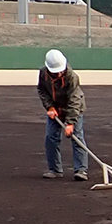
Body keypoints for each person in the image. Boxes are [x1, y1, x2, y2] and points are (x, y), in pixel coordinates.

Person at [37, 49, 89, 181]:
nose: (59, 73)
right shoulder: (43, 74)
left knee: (77, 137)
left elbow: (74, 99)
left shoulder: (72, 77)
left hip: (73, 108)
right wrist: (49, 107)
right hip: (55, 109)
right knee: (51, 138)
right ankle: (55, 170)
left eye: (60, 70)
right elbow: (41, 90)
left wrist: (70, 123)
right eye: (56, 71)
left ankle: (81, 170)